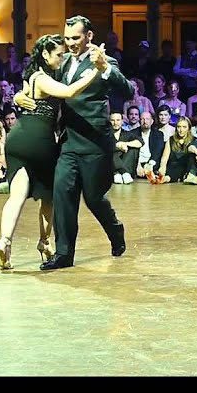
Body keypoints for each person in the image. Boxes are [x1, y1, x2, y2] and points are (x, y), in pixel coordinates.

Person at [26, 16, 131, 270]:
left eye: (76, 38)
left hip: (95, 142)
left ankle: (115, 231)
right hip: (68, 141)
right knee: (63, 194)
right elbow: (41, 84)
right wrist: (22, 96)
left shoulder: (105, 61)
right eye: (67, 38)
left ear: (89, 37)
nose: (71, 43)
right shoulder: (62, 64)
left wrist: (104, 67)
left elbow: (128, 91)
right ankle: (64, 255)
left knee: (94, 198)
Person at [0, 34, 96, 270]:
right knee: (49, 197)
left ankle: (5, 241)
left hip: (17, 137)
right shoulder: (41, 78)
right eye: (58, 54)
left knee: (17, 196)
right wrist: (95, 73)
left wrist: (20, 96)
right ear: (45, 54)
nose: (61, 58)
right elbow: (70, 92)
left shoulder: (31, 76)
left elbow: (22, 95)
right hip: (37, 139)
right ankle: (44, 242)